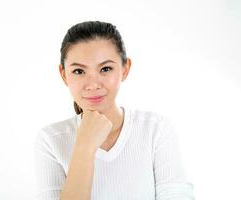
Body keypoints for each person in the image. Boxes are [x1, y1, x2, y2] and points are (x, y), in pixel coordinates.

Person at [34, 21, 195, 200]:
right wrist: (85, 147)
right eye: (79, 71)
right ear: (64, 75)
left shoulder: (155, 129)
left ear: (125, 69)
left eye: (105, 69)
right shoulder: (51, 140)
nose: (93, 84)